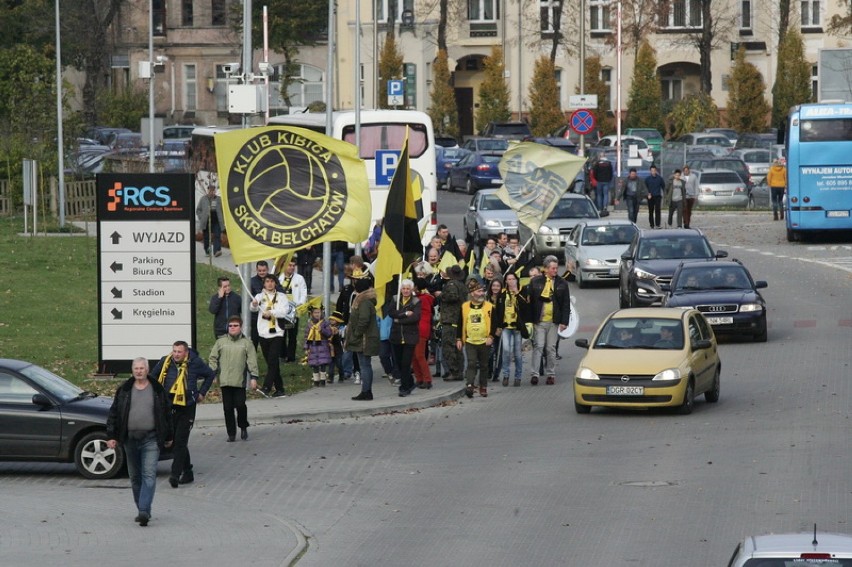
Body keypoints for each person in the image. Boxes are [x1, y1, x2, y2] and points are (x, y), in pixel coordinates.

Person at [106, 357, 173, 527]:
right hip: (130, 440)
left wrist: (168, 436)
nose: (139, 371)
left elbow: (166, 414)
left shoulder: (157, 390)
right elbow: (114, 413)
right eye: (136, 368)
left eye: (142, 368)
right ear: (132, 370)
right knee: (135, 477)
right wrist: (112, 436)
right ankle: (143, 510)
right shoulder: (124, 390)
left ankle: (143, 510)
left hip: (150, 439)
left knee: (149, 475)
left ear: (147, 369)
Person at [151, 340, 216, 488]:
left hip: (187, 406)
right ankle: (188, 471)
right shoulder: (165, 361)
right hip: (169, 406)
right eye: (174, 351)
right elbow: (153, 377)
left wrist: (202, 393)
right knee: (174, 441)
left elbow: (210, 375)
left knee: (180, 440)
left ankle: (175, 474)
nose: (176, 355)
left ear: (186, 352)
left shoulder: (195, 362)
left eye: (179, 352)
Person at [208, 316, 259, 442]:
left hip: (239, 381)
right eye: (230, 326)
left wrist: (253, 377)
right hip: (225, 381)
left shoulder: (246, 343)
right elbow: (213, 357)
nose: (232, 328)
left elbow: (252, 361)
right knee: (227, 408)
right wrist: (213, 373)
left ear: (240, 327)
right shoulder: (221, 342)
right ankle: (231, 433)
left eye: (235, 326)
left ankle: (243, 426)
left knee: (240, 405)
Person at [524, 256, 571, 386]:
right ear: (545, 269)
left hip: (554, 321)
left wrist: (564, 322)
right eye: (553, 268)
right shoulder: (536, 282)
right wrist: (530, 320)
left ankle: (551, 374)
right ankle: (535, 374)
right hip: (539, 321)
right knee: (538, 346)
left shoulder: (562, 283)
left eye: (556, 268)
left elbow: (566, 304)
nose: (555, 270)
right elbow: (530, 303)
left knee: (550, 348)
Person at [251, 274, 291, 397]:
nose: (269, 284)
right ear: (264, 283)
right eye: (267, 281)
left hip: (277, 333)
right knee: (271, 363)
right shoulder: (259, 296)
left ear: (275, 283)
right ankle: (280, 389)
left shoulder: (282, 297)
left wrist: (271, 313)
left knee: (273, 360)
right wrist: (254, 304)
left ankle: (266, 387)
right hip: (263, 333)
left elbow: (284, 311)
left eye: (272, 281)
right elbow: (252, 309)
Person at [457, 277, 495, 398]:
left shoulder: (489, 306)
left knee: (484, 365)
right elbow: (460, 323)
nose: (481, 294)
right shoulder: (465, 307)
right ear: (472, 293)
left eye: (482, 291)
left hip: (484, 341)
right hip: (470, 341)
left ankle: (483, 386)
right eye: (478, 292)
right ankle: (469, 385)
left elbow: (495, 323)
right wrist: (458, 339)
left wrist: (491, 336)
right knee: (472, 363)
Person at [347, 274, 380, 401]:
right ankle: (366, 391)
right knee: (365, 365)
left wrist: (356, 333)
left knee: (365, 365)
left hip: (365, 338)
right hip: (365, 337)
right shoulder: (365, 300)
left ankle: (366, 391)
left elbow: (364, 319)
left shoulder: (364, 302)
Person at [493, 272, 529, 387]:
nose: (511, 281)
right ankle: (506, 375)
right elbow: (498, 311)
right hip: (506, 327)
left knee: (518, 353)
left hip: (517, 327)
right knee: (506, 351)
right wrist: (498, 326)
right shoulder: (503, 294)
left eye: (513, 279)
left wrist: (517, 294)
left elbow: (525, 307)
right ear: (506, 281)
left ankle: (518, 377)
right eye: (509, 279)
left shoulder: (521, 291)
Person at [388, 278, 422, 397]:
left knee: (405, 363)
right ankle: (410, 382)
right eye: (404, 288)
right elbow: (391, 313)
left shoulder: (416, 301)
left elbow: (415, 318)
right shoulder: (395, 299)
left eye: (408, 288)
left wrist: (399, 319)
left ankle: (404, 387)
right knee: (398, 362)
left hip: (410, 337)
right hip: (396, 336)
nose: (406, 291)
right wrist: (405, 314)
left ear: (411, 289)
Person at [438, 264, 468, 381]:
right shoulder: (462, 285)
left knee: (448, 347)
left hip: (450, 319)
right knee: (458, 347)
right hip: (459, 319)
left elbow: (452, 297)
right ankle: (459, 371)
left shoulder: (451, 284)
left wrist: (441, 295)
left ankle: (454, 371)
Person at [278, 259, 307, 363]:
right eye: (289, 265)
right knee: (281, 334)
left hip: (294, 311)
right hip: (281, 310)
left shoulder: (299, 278)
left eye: (293, 265)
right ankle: (282, 355)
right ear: (284, 266)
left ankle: (291, 357)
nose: (292, 267)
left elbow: (303, 292)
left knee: (292, 335)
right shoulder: (279, 278)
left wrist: (300, 303)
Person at [249, 261, 282, 350]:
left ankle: (273, 355)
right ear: (256, 270)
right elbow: (249, 297)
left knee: (271, 337)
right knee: (255, 338)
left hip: (272, 315)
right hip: (256, 316)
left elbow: (281, 292)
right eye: (260, 270)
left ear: (267, 269)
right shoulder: (252, 281)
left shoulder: (274, 280)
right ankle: (253, 356)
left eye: (264, 270)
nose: (262, 272)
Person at [413, 278, 435, 389]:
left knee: (419, 355)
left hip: (420, 328)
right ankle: (420, 378)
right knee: (415, 356)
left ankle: (426, 379)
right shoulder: (426, 298)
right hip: (421, 328)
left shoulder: (420, 299)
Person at [304, 305, 333, 387]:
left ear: (322, 313)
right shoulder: (309, 324)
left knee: (323, 363)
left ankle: (323, 379)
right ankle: (316, 380)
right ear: (312, 314)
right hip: (312, 346)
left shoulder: (324, 323)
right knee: (314, 364)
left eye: (319, 312)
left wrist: (322, 330)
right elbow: (306, 336)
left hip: (322, 345)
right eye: (315, 313)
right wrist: (306, 347)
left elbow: (329, 333)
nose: (317, 314)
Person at [196, 184, 224, 257]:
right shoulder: (203, 199)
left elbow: (223, 210)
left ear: (215, 191)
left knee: (217, 235)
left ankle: (216, 251)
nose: (212, 192)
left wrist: (223, 218)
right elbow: (198, 210)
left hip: (217, 220)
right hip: (206, 221)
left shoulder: (219, 199)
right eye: (210, 190)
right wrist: (201, 217)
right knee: (206, 237)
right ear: (208, 190)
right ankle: (207, 250)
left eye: (213, 190)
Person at [486, 278, 504, 382]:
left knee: (498, 352)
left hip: (499, 328)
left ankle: (496, 373)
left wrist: (500, 327)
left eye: (497, 286)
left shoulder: (503, 298)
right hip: (488, 328)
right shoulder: (487, 298)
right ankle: (489, 371)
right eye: (493, 286)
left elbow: (503, 315)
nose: (495, 288)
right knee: (489, 351)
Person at [328, 310, 346, 383]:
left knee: (339, 364)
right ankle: (330, 377)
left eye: (333, 320)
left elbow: (342, 338)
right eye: (331, 319)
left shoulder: (341, 329)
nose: (331, 321)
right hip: (330, 349)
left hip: (338, 349)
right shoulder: (329, 328)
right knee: (331, 364)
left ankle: (341, 375)